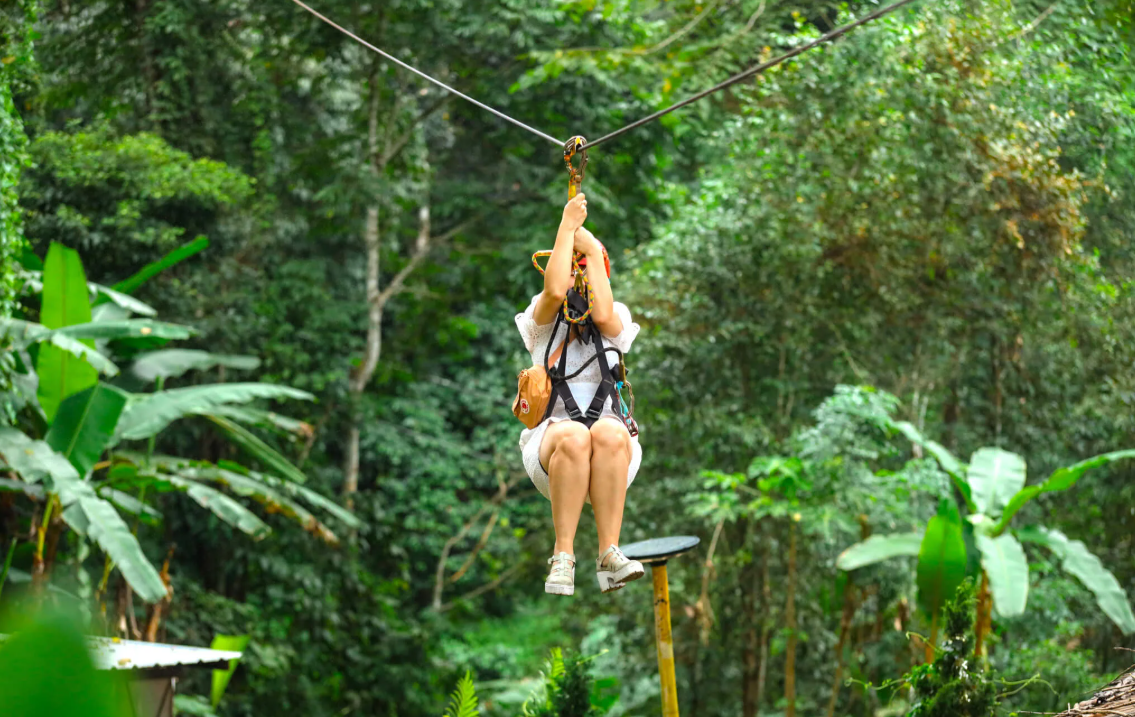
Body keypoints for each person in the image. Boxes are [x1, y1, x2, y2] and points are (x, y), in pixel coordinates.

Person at [514, 193, 644, 596]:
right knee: (575, 435)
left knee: (605, 433)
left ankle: (609, 553)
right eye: (573, 269)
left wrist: (589, 247)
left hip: (612, 446)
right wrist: (567, 227)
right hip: (554, 442)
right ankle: (563, 556)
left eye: (584, 269)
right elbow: (554, 292)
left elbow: (603, 316)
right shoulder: (542, 314)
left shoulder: (616, 316)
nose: (578, 278)